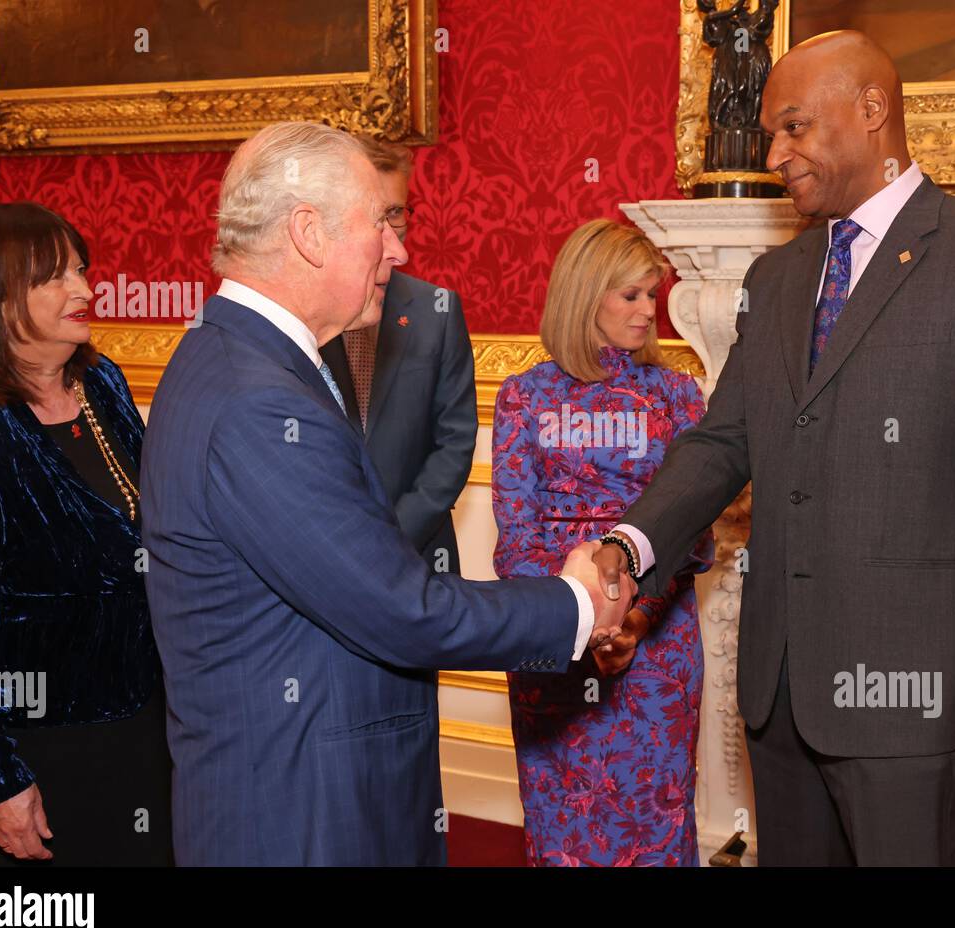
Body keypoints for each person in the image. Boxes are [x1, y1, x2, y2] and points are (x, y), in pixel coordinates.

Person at [593, 30, 955, 866]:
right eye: (769, 136)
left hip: (914, 709)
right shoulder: (776, 278)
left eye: (792, 127)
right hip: (780, 696)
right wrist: (628, 545)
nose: (776, 153)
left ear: (872, 111)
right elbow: (721, 443)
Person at [141, 121, 632, 866]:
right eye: (380, 222)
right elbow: (403, 608)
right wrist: (574, 603)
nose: (398, 250)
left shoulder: (234, 355)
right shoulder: (257, 399)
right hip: (304, 813)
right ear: (309, 233)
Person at [0, 202, 171, 866]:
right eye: (56, 277)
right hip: (40, 745)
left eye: (82, 270)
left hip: (144, 720)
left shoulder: (101, 382)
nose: (85, 289)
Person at [493, 219, 714, 866]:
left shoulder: (676, 395)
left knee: (656, 816)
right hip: (552, 634)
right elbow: (517, 539)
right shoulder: (524, 397)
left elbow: (692, 533)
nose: (650, 311)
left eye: (654, 294)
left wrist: (636, 618)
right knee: (564, 821)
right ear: (586, 294)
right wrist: (584, 620)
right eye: (632, 296)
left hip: (658, 640)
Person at [318, 138, 475, 576]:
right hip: (328, 553)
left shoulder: (437, 310)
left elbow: (455, 441)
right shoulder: (312, 312)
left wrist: (394, 535)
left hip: (421, 553)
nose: (391, 228)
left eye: (398, 212)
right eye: (377, 214)